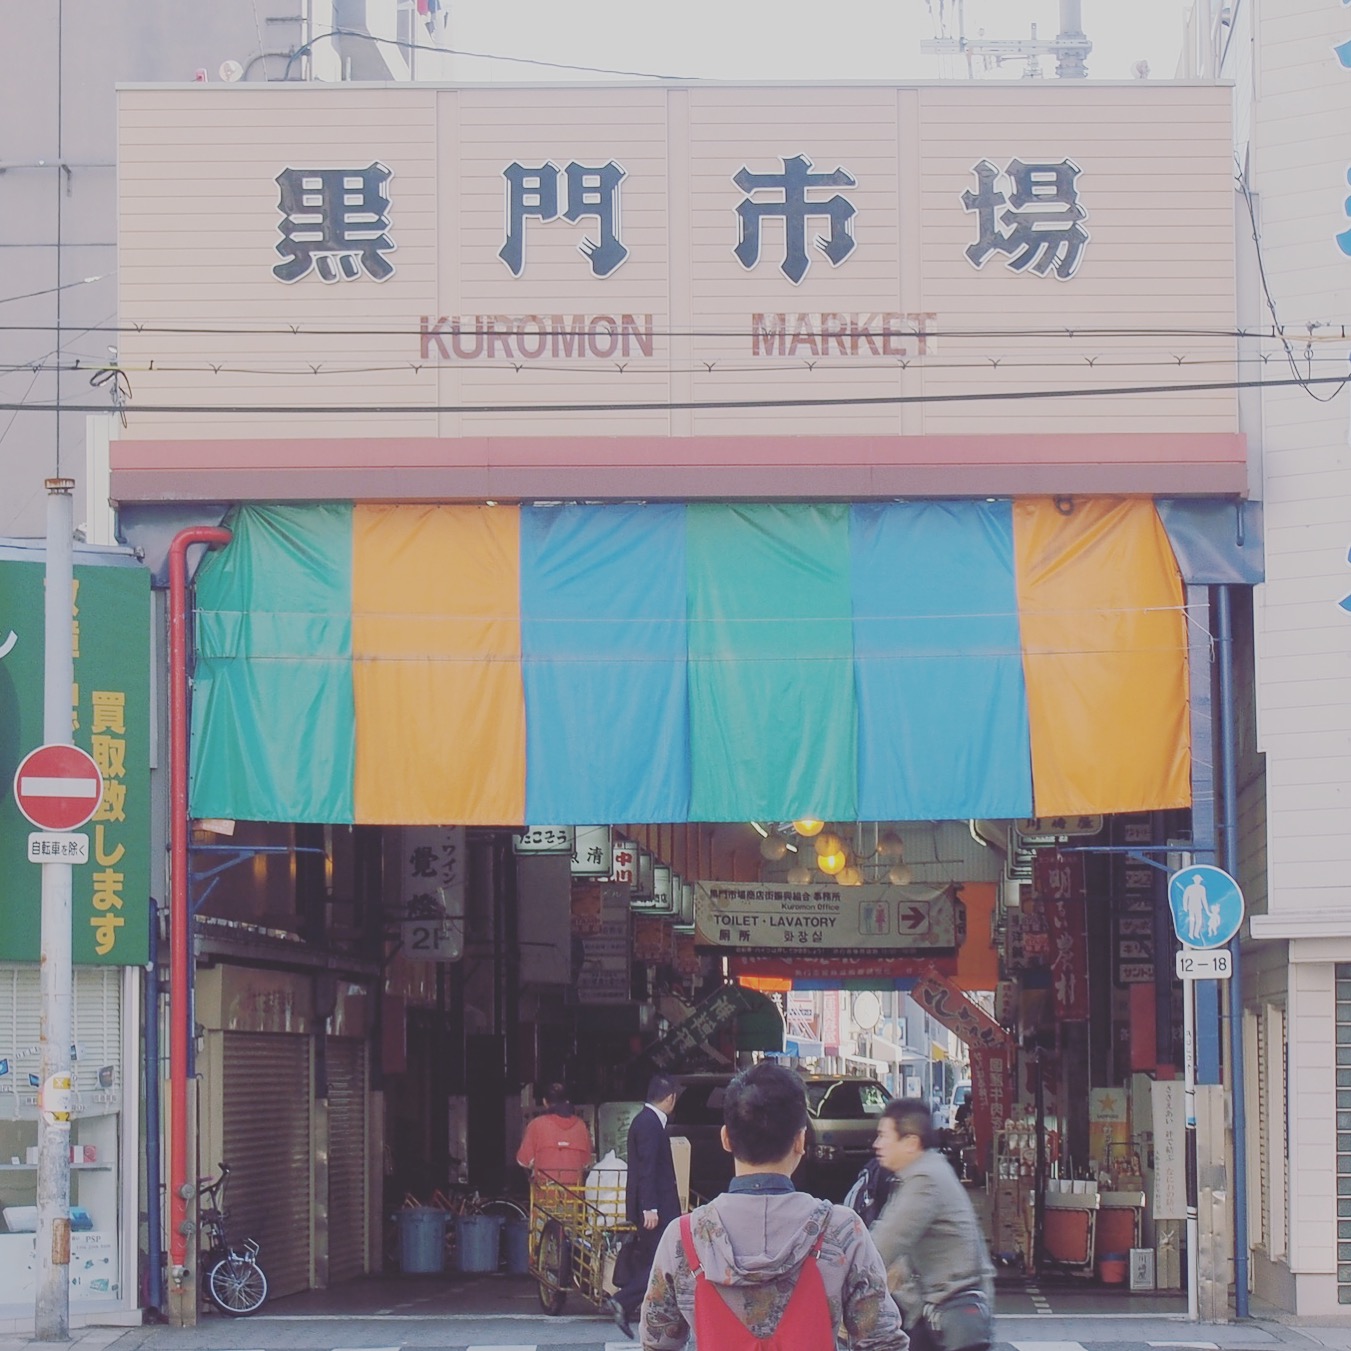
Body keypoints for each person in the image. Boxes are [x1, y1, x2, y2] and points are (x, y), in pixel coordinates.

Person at [639, 1061, 907, 1351]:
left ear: (726, 1139)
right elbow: (883, 1342)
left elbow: (657, 1344)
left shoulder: (684, 1239)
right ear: (801, 1141)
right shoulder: (841, 1232)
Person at [869, 1099, 994, 1351]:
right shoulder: (925, 1171)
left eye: (884, 1136)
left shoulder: (925, 1180)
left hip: (950, 1315)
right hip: (938, 1311)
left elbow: (885, 1242)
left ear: (910, 1142)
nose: (877, 1144)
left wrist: (841, 1274)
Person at [608, 1073, 683, 1337]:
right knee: (660, 1265)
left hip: (655, 1207)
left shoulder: (647, 1121)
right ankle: (623, 1300)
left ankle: (638, 1308)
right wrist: (649, 1208)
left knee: (654, 1261)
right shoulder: (649, 1124)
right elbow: (647, 1168)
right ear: (670, 1098)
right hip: (655, 1209)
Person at [515, 1082, 592, 1186]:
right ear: (567, 1101)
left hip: (545, 1191)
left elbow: (523, 1160)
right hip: (574, 1191)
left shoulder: (536, 1125)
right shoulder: (580, 1126)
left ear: (544, 1102)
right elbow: (587, 1162)